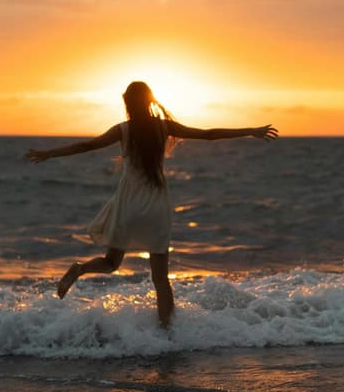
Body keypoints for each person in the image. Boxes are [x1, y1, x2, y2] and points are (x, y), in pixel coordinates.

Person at [25, 81, 278, 327]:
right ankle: (167, 333)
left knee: (112, 263)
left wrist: (50, 153)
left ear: (127, 102)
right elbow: (209, 135)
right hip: (156, 206)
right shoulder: (163, 128)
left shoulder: (122, 129)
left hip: (129, 204)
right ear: (150, 101)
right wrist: (250, 130)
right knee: (160, 279)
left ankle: (79, 270)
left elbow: (87, 145)